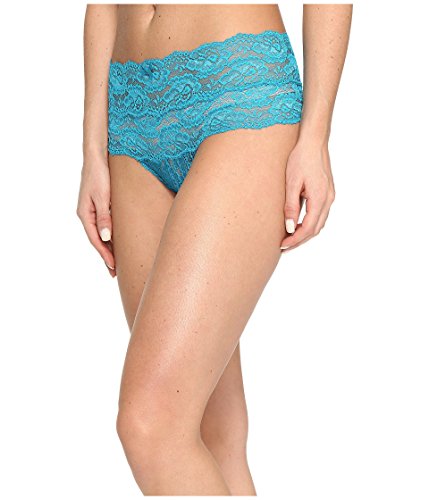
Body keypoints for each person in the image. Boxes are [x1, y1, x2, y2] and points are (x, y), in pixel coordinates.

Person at [77, 3, 352, 495]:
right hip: (129, 117)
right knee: (211, 431)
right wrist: (93, 149)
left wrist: (316, 135)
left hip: (237, 94)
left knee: (151, 423)